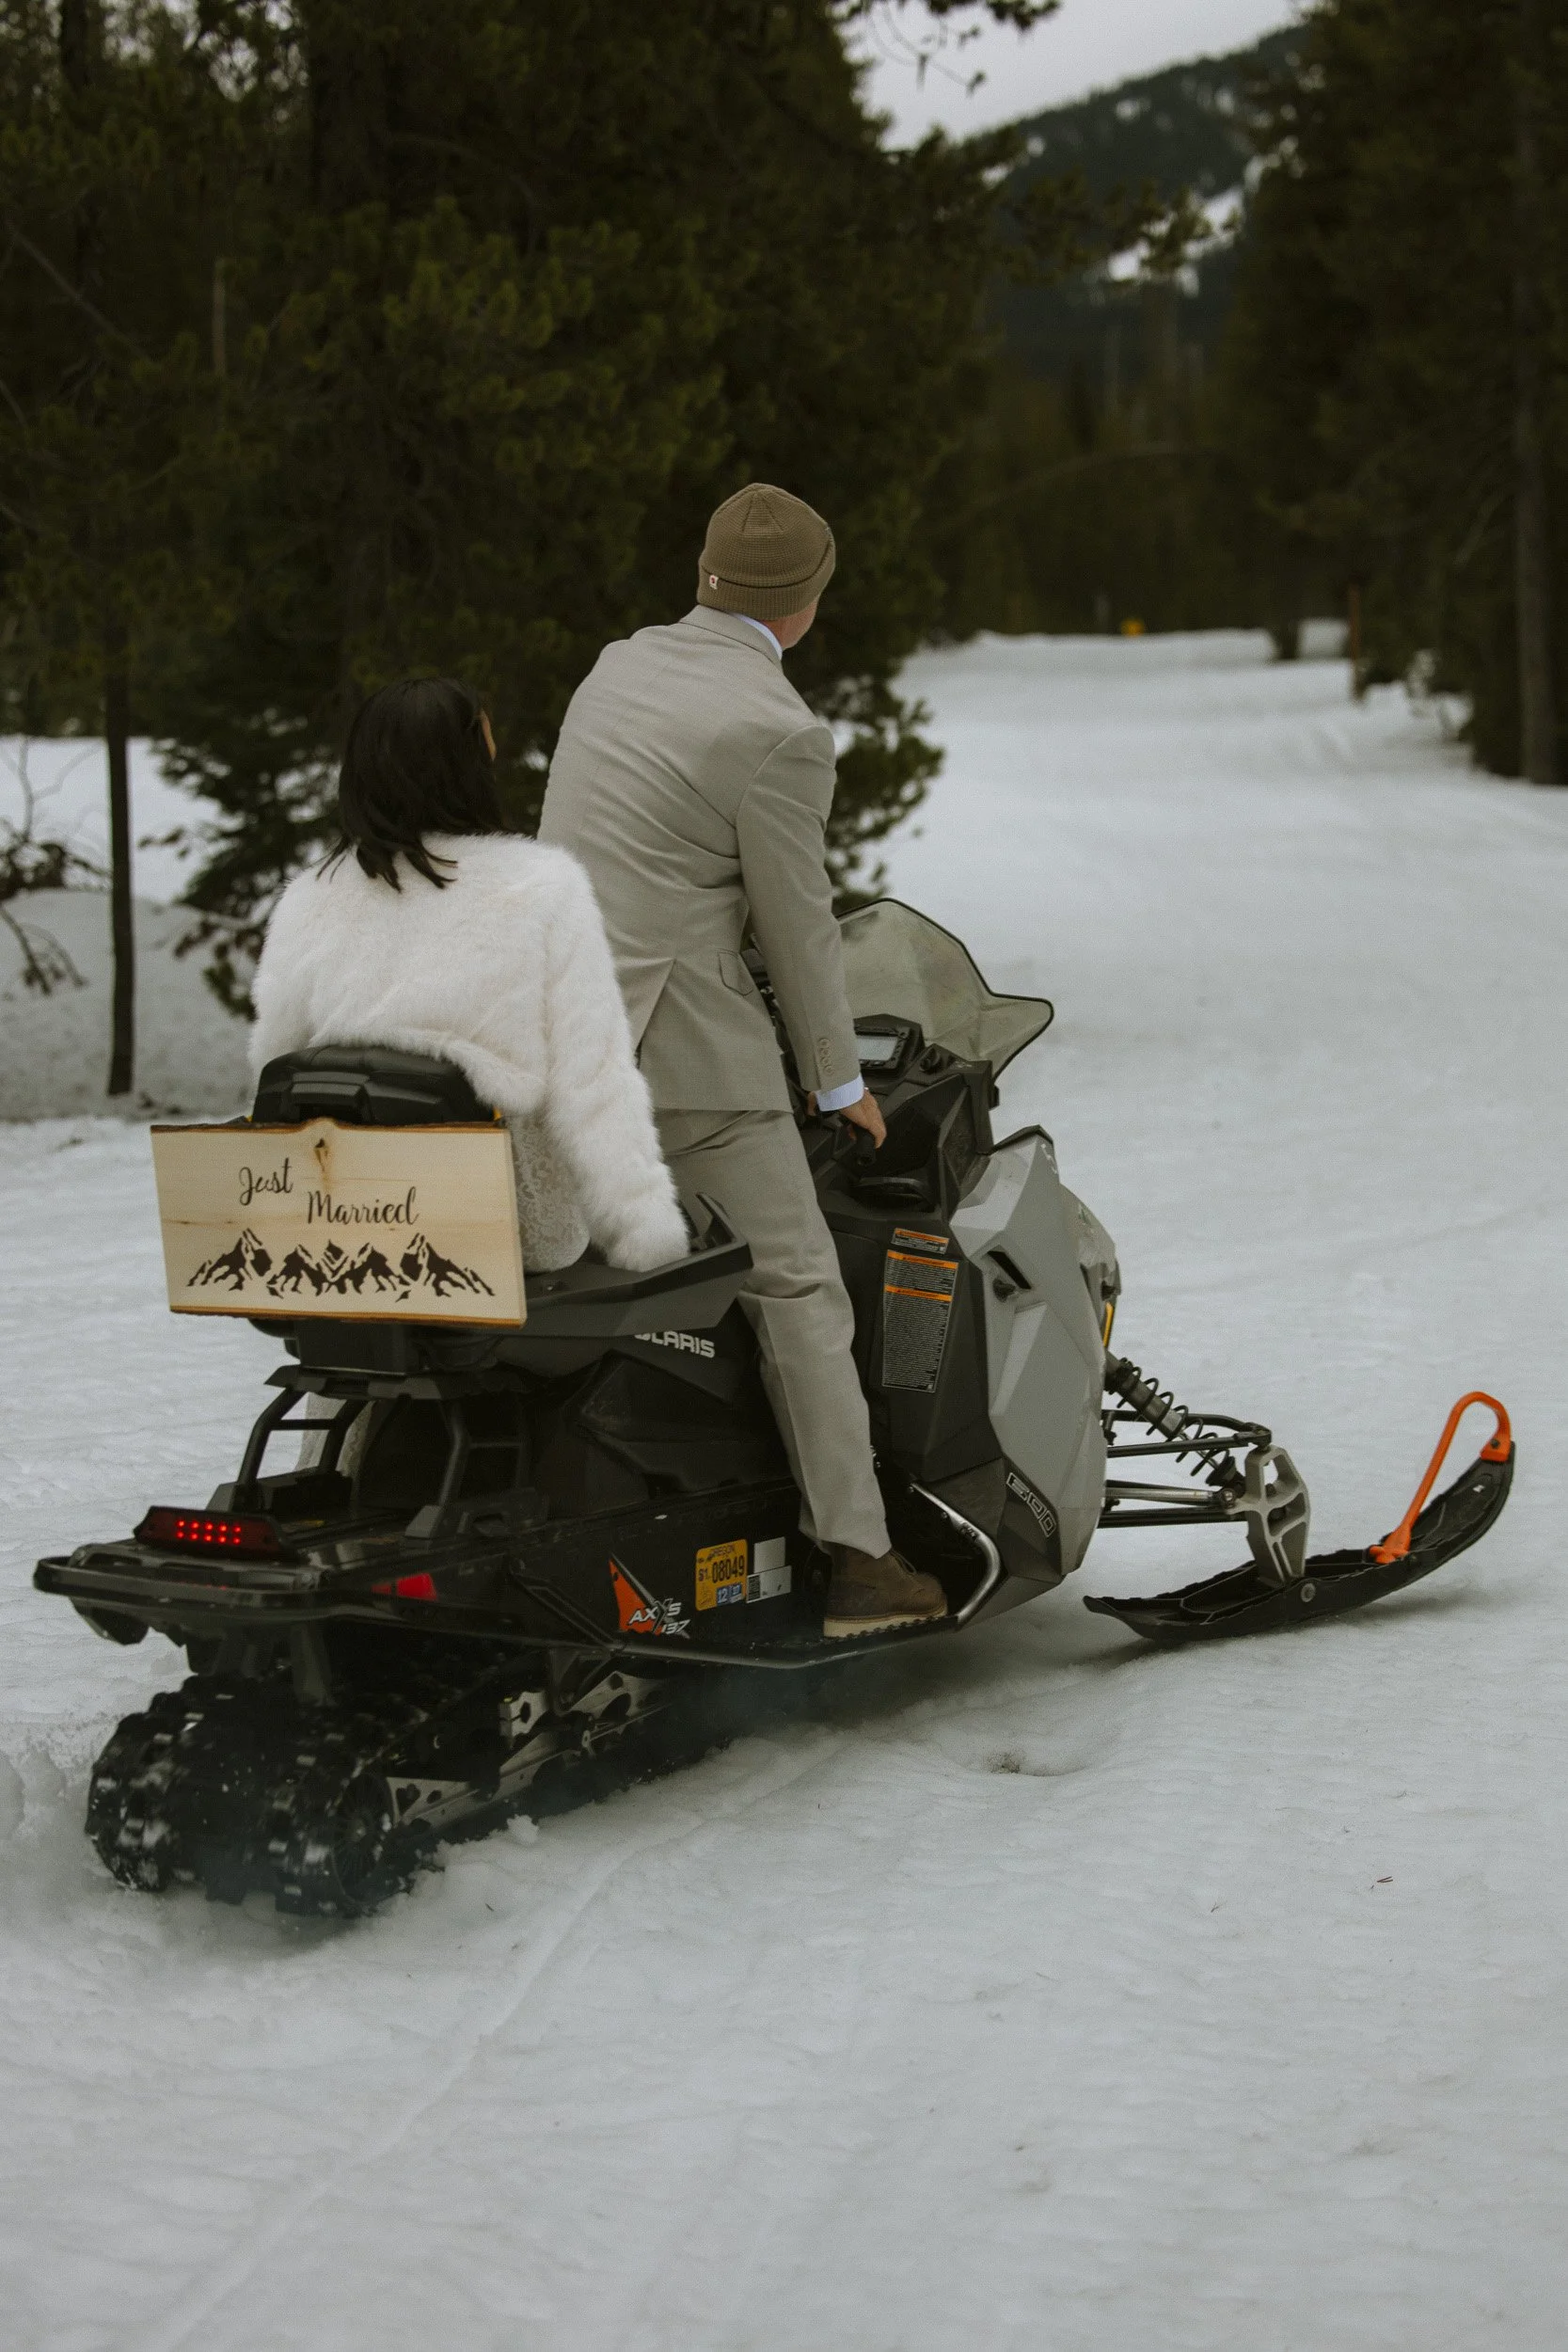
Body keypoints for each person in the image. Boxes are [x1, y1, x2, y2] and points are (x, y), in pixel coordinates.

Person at [539, 483, 946, 1637]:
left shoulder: (615, 667)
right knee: (799, 1286)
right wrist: (840, 1084)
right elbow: (797, 924)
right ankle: (863, 1562)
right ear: (807, 602)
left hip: (563, 1033)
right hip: (682, 1066)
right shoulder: (776, 732)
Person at [248, 676, 689, 1274]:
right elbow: (592, 1078)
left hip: (351, 1217)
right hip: (509, 1222)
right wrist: (644, 1229)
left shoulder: (310, 896)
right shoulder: (543, 886)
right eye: (485, 740)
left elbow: (273, 1063)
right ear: (464, 765)